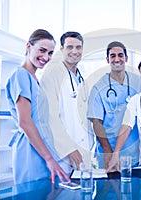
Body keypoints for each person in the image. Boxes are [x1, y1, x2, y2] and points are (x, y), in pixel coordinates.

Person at [5, 29, 70, 184]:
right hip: (30, 151)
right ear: (29, 46)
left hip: (42, 150)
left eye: (50, 53)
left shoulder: (35, 79)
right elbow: (25, 122)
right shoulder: (21, 75)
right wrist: (49, 159)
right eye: (42, 50)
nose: (45, 57)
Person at [39, 31, 94, 174]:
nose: (74, 51)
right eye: (70, 47)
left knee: (84, 193)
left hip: (84, 150)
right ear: (62, 49)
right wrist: (68, 148)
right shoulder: (52, 73)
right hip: (64, 154)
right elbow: (50, 116)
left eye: (78, 47)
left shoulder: (81, 77)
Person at [87, 41, 141, 170]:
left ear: (126, 58)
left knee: (133, 188)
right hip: (107, 151)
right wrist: (108, 152)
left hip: (133, 152)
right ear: (107, 59)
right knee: (108, 189)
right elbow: (96, 122)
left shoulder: (139, 82)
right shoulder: (98, 87)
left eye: (120, 55)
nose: (116, 59)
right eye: (112, 56)